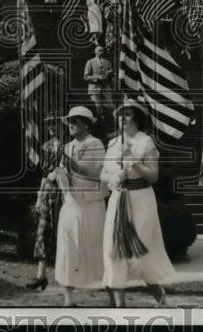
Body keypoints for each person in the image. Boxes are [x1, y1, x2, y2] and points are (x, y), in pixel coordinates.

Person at [101, 98, 174, 308]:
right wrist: (114, 177)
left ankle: (161, 300)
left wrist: (135, 163)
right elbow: (104, 174)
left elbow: (153, 176)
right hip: (118, 199)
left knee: (142, 250)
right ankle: (119, 305)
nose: (123, 118)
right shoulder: (113, 143)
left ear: (137, 118)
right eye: (121, 114)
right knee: (113, 248)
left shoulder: (146, 142)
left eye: (128, 114)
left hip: (142, 200)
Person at [54, 106, 107, 308]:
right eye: (70, 121)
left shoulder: (96, 144)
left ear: (86, 124)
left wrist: (77, 169)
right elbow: (60, 172)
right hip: (71, 203)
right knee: (68, 249)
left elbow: (100, 173)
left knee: (95, 247)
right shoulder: (66, 148)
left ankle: (106, 296)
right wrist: (60, 176)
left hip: (91, 204)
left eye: (76, 121)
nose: (71, 125)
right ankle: (69, 299)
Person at [27, 114, 64, 290]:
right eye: (49, 124)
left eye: (55, 124)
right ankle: (41, 275)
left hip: (65, 194)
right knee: (42, 231)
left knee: (64, 233)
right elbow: (44, 174)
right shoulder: (46, 147)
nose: (51, 127)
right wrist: (39, 196)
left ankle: (70, 277)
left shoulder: (70, 147)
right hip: (48, 190)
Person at [84, 46, 113, 115]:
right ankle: (98, 125)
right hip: (95, 89)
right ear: (95, 52)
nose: (101, 52)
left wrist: (110, 75)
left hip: (106, 88)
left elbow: (111, 78)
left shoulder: (108, 62)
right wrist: (97, 78)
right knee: (97, 109)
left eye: (102, 50)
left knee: (110, 108)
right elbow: (86, 77)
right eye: (99, 50)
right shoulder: (90, 62)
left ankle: (107, 124)